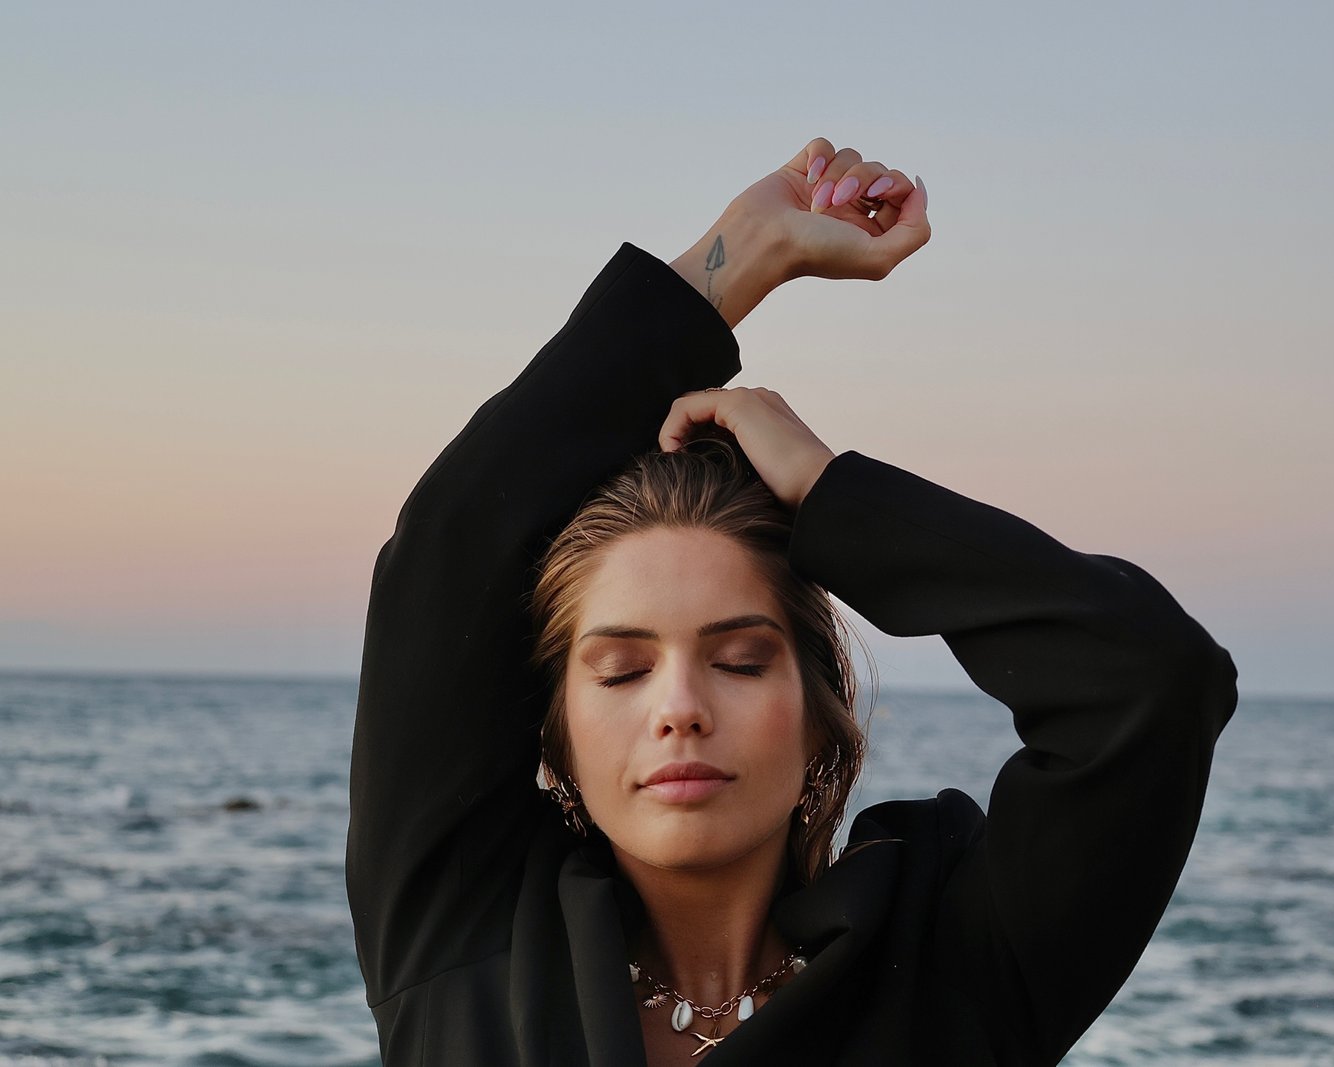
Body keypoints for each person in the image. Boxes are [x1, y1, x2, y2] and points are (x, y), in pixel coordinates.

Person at [346, 136, 1239, 1066]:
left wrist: (829, 492)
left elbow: (1152, 680)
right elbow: (449, 553)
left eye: (739, 659)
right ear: (558, 731)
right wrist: (741, 253)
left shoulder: (954, 966)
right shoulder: (463, 935)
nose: (680, 709)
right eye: (619, 670)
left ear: (819, 712)